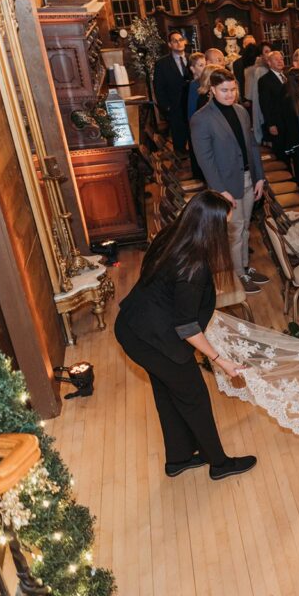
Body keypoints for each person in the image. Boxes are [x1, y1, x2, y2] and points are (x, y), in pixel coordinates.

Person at [115, 191, 257, 480]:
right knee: (195, 398)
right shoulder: (193, 266)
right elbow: (187, 327)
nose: (226, 231)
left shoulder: (173, 233)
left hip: (133, 325)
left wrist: (216, 197)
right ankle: (219, 463)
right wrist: (221, 361)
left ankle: (178, 458)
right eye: (224, 226)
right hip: (153, 339)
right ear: (211, 229)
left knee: (166, 393)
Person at [189, 69, 268, 294]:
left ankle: (244, 266)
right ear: (212, 90)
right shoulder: (201, 118)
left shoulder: (241, 111)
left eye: (233, 89)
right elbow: (205, 160)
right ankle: (238, 274)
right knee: (233, 231)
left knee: (245, 228)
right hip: (225, 184)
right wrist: (220, 190)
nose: (230, 94)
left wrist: (259, 176)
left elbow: (252, 146)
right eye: (224, 90)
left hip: (247, 177)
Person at [153, 30, 196, 176]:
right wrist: (167, 107)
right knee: (179, 140)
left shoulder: (193, 59)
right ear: (170, 45)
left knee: (195, 137)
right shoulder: (162, 63)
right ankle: (182, 173)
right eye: (175, 41)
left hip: (193, 106)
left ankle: (196, 167)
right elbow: (159, 88)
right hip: (175, 107)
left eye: (181, 39)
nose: (179, 42)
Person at [184, 52, 206, 121]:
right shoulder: (194, 85)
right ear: (192, 69)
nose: (205, 68)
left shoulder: (206, 83)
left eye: (206, 64)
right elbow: (192, 111)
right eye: (201, 65)